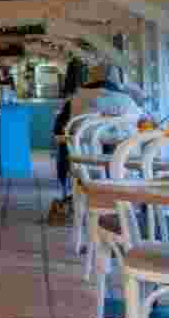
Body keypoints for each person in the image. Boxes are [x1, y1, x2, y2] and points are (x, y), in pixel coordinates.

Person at [50, 64, 144, 219]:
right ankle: (132, 207)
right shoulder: (128, 101)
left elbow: (58, 131)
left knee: (67, 147)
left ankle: (71, 194)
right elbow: (139, 127)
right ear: (118, 80)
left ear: (90, 78)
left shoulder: (74, 99)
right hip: (124, 166)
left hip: (84, 164)